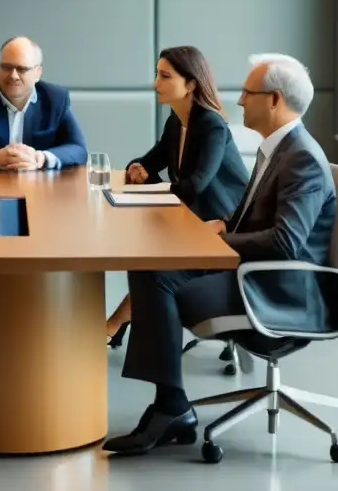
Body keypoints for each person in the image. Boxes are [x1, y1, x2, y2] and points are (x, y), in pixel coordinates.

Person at [103, 55, 337, 455]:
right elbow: (251, 211)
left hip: (277, 288)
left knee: (160, 280)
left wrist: (221, 242)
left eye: (249, 92)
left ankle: (169, 409)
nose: (240, 100)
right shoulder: (277, 149)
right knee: (149, 265)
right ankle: (170, 404)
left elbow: (285, 242)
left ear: (275, 99)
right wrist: (225, 225)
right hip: (252, 269)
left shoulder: (301, 159)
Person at [105, 46, 249, 348]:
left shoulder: (212, 125)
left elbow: (195, 185)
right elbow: (149, 162)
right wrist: (139, 170)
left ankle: (115, 323)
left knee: (154, 264)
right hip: (191, 219)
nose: (156, 83)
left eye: (164, 76)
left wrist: (152, 182)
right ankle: (119, 323)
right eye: (157, 75)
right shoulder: (176, 122)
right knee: (144, 252)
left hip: (223, 228)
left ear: (191, 84)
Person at [0, 36, 87, 171]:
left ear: (37, 73)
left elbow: (78, 149)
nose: (13, 75)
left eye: (22, 69)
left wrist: (40, 158)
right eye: (6, 67)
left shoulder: (56, 99)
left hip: (42, 189)